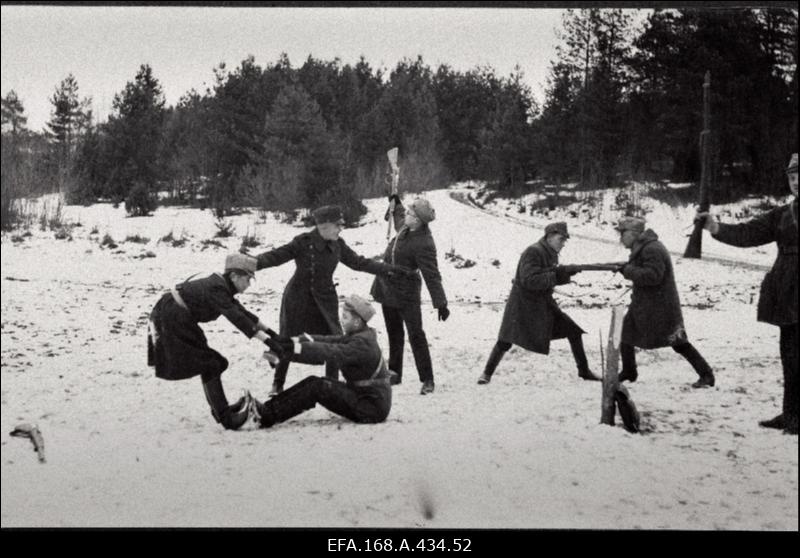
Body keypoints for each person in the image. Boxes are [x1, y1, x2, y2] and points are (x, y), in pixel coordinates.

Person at [253, 205, 414, 397]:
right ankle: (277, 384)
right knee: (288, 338)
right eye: (337, 225)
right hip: (298, 298)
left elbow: (359, 263)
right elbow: (276, 256)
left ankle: (333, 384)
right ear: (324, 226)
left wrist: (390, 270)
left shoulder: (338, 245)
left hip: (325, 299)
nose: (340, 229)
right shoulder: (303, 242)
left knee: (335, 342)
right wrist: (250, 264)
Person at [696, 153, 797, 434]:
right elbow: (747, 233)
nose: (796, 182)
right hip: (788, 294)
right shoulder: (783, 215)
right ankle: (791, 414)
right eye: (792, 177)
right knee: (790, 356)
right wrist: (715, 227)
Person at [147, 253, 277, 430]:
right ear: (234, 276)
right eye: (247, 279)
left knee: (215, 363)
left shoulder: (222, 287)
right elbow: (236, 317)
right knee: (211, 363)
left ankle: (221, 411)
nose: (248, 285)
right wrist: (268, 342)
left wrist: (271, 333)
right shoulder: (217, 288)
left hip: (178, 315)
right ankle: (226, 418)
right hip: (172, 316)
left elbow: (242, 312)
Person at [478, 222, 601, 385]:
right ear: (549, 237)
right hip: (523, 305)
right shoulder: (533, 251)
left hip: (542, 305)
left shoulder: (550, 253)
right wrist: (558, 275)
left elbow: (548, 276)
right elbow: (530, 280)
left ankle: (584, 371)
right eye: (561, 239)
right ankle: (486, 374)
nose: (563, 244)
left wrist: (565, 273)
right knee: (506, 339)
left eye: (565, 240)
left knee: (573, 331)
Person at [250, 295, 392, 427]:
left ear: (356, 322)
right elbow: (328, 340)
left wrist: (295, 348)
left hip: (371, 408)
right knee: (315, 382)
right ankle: (267, 409)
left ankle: (266, 415)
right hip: (365, 397)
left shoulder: (361, 344)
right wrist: (294, 341)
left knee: (317, 387)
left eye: (345, 317)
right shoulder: (360, 335)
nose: (341, 320)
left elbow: (328, 351)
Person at [614, 216, 716, 388]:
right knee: (626, 333)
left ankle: (706, 375)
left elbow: (653, 276)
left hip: (660, 308)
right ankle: (629, 371)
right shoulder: (645, 247)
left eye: (622, 233)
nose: (620, 238)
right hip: (646, 305)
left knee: (678, 342)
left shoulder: (651, 249)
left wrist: (628, 270)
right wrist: (627, 268)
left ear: (633, 233)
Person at [370, 195, 448, 395]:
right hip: (387, 289)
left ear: (419, 220)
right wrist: (396, 203)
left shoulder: (424, 243)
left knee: (416, 335)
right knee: (394, 334)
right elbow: (398, 219)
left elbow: (432, 274)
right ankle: (394, 372)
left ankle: (427, 379)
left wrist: (440, 302)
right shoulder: (406, 228)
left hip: (407, 294)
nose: (407, 215)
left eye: (410, 213)